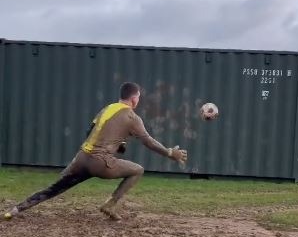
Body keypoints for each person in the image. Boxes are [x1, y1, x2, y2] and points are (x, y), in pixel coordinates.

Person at [4, 82, 187, 221]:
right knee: (138, 170)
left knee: (55, 188)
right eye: (138, 97)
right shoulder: (132, 116)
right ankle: (110, 205)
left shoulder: (106, 109)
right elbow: (148, 141)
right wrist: (170, 153)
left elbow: (89, 132)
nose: (138, 100)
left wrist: (118, 142)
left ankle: (15, 210)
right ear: (134, 98)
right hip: (101, 163)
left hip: (81, 159)